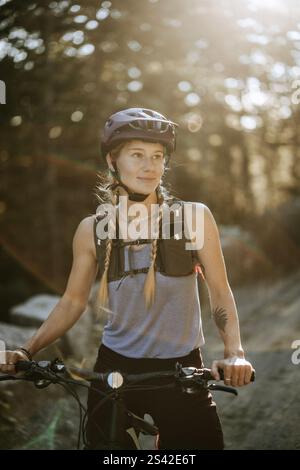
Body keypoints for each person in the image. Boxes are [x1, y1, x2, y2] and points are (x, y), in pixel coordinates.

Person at [0, 107, 254, 450]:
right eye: (137, 155)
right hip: (113, 371)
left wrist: (234, 352)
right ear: (112, 160)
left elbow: (220, 292)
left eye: (157, 156)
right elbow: (73, 301)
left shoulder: (194, 218)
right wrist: (25, 349)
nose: (150, 166)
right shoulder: (91, 230)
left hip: (181, 370)